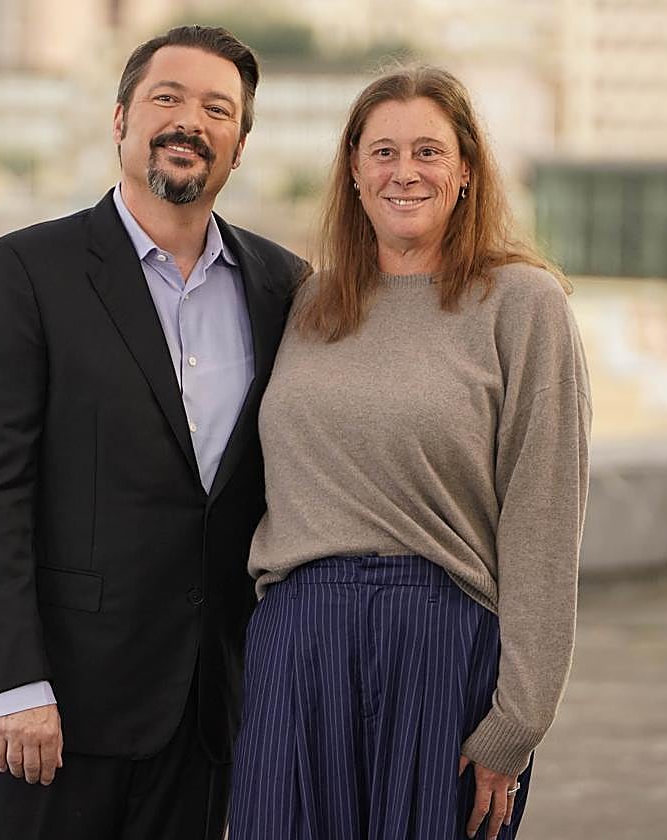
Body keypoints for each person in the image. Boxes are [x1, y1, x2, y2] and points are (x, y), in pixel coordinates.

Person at [0, 25, 305, 840]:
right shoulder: (24, 272)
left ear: (238, 148)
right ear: (120, 121)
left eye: (218, 109)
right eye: (166, 99)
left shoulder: (284, 288)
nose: (190, 122)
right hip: (48, 718)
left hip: (205, 720)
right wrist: (18, 683)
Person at [229, 66, 591, 840]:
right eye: (384, 151)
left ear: (465, 170)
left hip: (442, 639)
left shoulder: (524, 305)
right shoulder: (307, 305)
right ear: (355, 171)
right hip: (299, 641)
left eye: (429, 151)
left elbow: (544, 515)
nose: (405, 171)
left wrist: (518, 719)